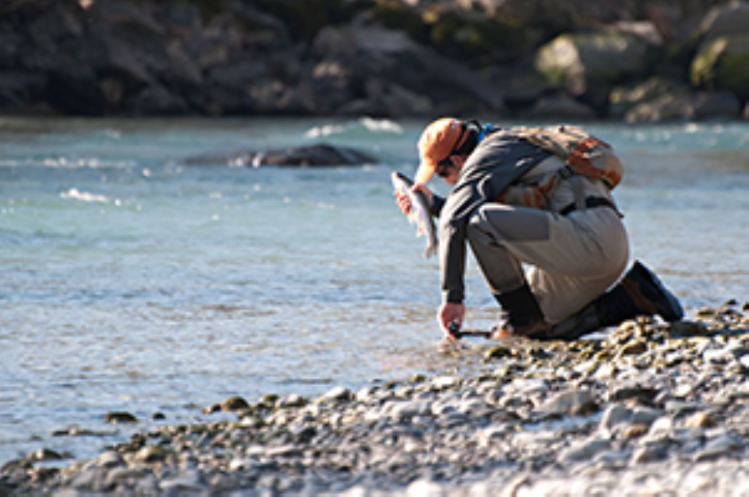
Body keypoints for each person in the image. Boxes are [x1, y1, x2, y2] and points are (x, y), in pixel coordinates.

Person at [395, 117, 683, 341]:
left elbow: (458, 220)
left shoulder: (489, 154)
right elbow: (481, 212)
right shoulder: (512, 147)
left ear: (458, 160)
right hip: (600, 244)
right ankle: (634, 296)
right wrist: (432, 205)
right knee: (539, 334)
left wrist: (452, 299)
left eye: (443, 174)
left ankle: (519, 318)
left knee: (478, 223)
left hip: (588, 240)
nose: (447, 181)